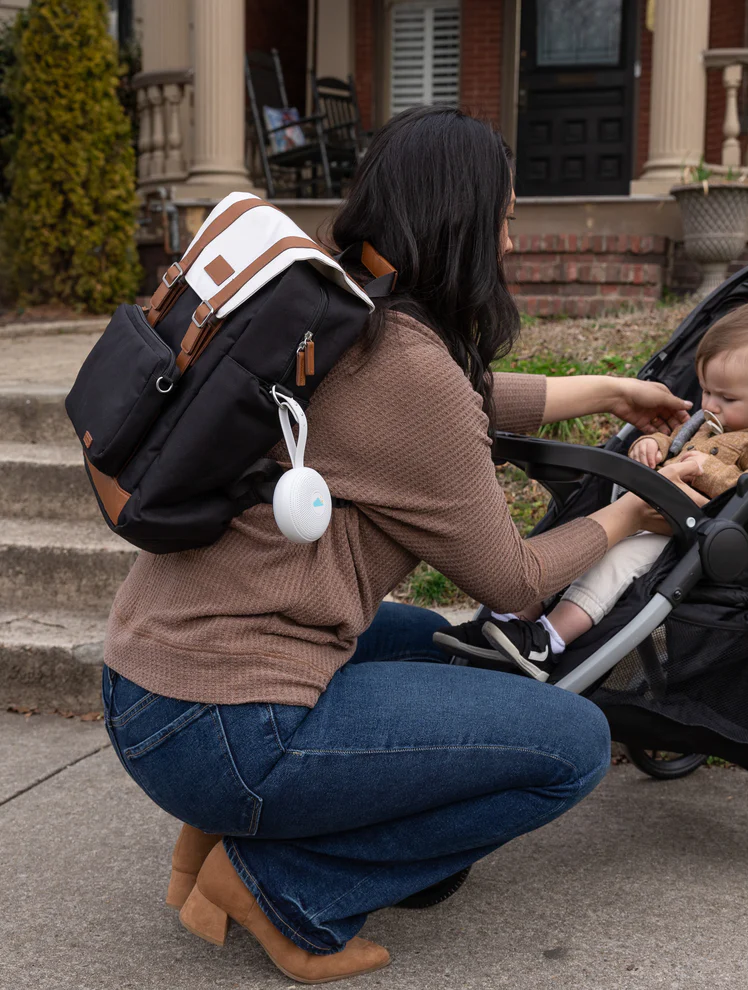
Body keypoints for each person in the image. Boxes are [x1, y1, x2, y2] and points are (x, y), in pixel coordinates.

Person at [99, 106, 698, 985]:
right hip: (223, 726)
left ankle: (205, 851)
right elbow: (515, 580)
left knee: (444, 646)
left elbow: (459, 397)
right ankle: (279, 888)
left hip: (151, 683)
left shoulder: (328, 312)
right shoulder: (409, 370)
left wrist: (604, 389)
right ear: (461, 226)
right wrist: (632, 516)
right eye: (503, 221)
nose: (506, 243)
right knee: (570, 745)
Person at [436, 301, 748, 681]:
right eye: (707, 391)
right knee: (576, 541)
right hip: (645, 509)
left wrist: (703, 467)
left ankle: (549, 640)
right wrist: (652, 446)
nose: (711, 405)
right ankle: (509, 621)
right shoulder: (708, 425)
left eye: (727, 398)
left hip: (684, 533)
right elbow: (673, 443)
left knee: (614, 563)